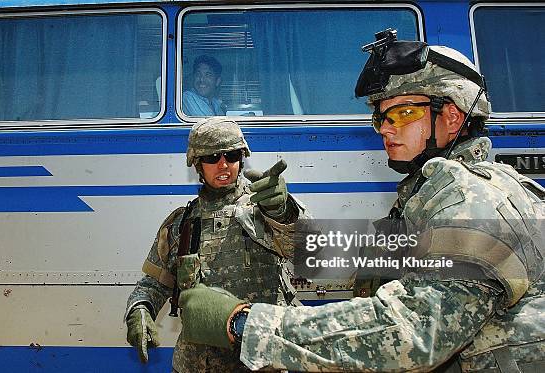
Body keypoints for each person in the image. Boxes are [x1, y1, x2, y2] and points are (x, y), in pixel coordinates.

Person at [178, 32, 545, 372]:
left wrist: (242, 323)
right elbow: (331, 255)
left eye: (404, 113)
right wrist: (282, 214)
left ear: (451, 116)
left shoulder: (470, 199)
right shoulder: (426, 198)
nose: (386, 128)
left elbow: (413, 333)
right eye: (381, 117)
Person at [124, 117, 310, 372]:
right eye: (212, 158)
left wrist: (282, 211)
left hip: (266, 358)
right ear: (198, 164)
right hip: (199, 363)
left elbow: (311, 247)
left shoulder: (267, 206)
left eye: (231, 155)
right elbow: (154, 283)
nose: (223, 164)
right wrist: (141, 308)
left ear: (241, 158)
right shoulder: (183, 223)